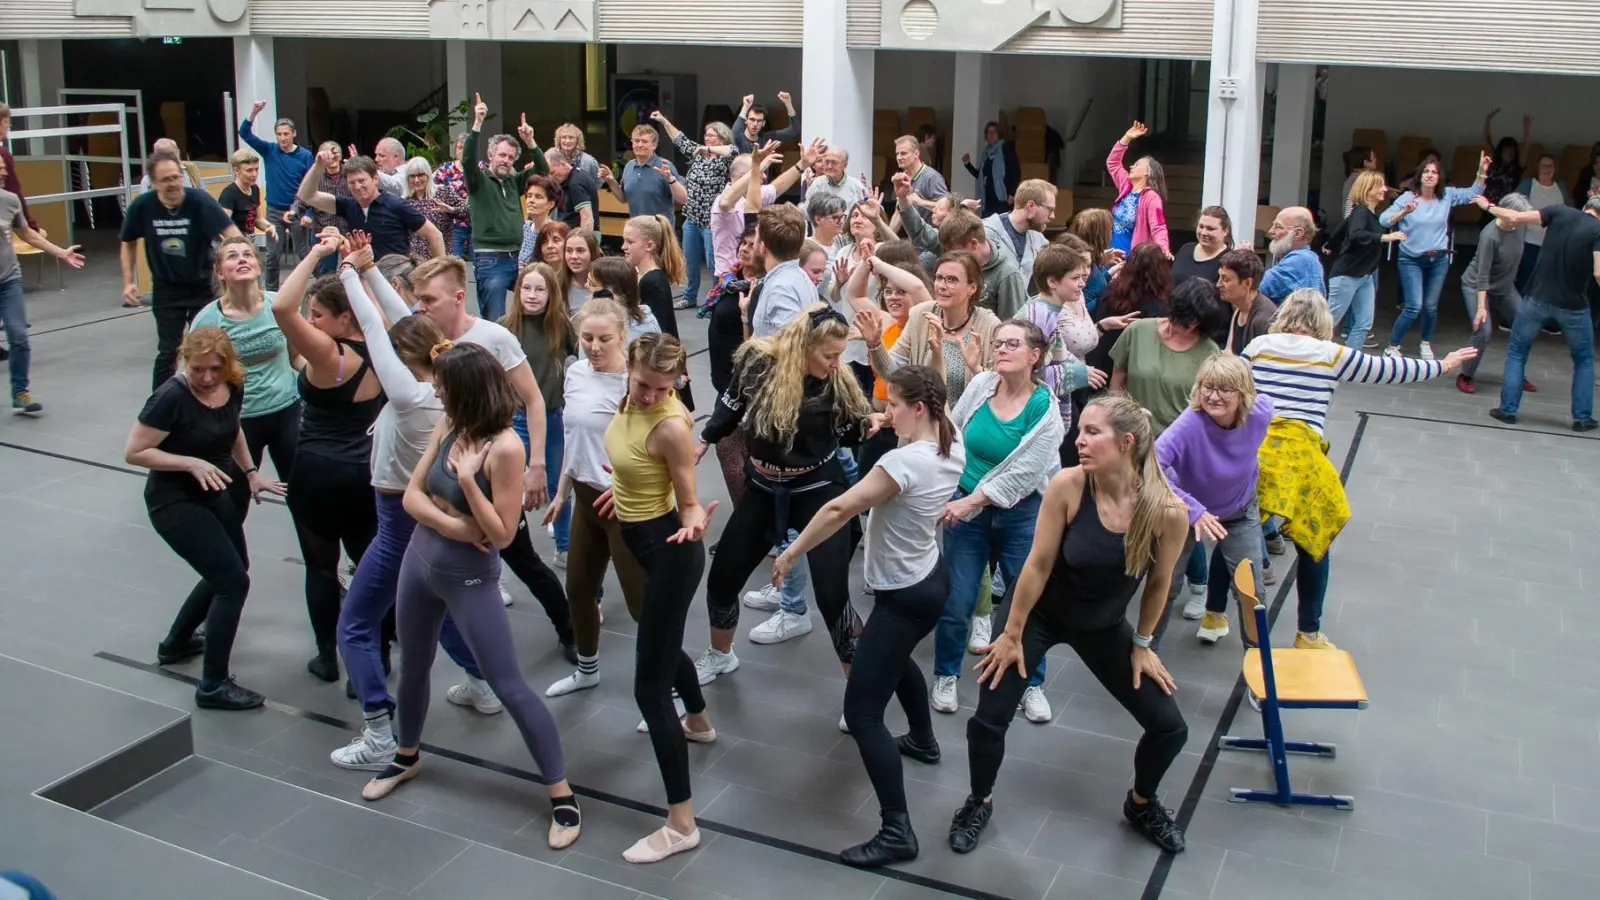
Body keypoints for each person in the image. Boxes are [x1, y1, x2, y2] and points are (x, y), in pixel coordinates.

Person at [361, 344, 582, 853]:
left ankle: (561, 792)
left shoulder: (505, 447)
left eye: (441, 384)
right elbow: (412, 497)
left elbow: (503, 535)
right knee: (414, 663)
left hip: (469, 578)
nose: (434, 390)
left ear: (464, 389)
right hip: (420, 564)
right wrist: (458, 524)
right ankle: (406, 754)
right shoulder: (449, 426)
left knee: (508, 684)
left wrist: (464, 481)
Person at [954, 394, 1191, 855]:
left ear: (1125, 443)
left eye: (1091, 432)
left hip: (1102, 625)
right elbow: (1037, 566)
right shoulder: (1067, 485)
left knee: (1170, 728)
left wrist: (1143, 643)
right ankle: (977, 800)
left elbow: (1160, 584)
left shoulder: (1166, 511)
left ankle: (1141, 803)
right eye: (1079, 430)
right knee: (989, 719)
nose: (1078, 440)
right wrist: (1011, 633)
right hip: (1038, 615)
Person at [772, 366, 962, 868]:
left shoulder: (905, 463)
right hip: (927, 576)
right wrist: (890, 420)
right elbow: (925, 399)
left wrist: (792, 554)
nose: (886, 411)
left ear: (918, 408)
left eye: (893, 404)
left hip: (905, 595)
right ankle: (922, 739)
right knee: (895, 659)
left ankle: (897, 831)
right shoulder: (949, 432)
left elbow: (838, 510)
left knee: (862, 715)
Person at [328, 234, 497, 767]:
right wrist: (370, 266)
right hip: (425, 518)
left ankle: (380, 731)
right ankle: (482, 684)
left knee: (355, 625)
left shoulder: (405, 396)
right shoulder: (441, 382)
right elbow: (406, 327)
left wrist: (351, 275)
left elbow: (379, 329)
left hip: (398, 521)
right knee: (434, 611)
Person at [1242, 288, 1473, 648]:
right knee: (1315, 542)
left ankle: (1219, 614)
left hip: (1252, 453)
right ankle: (1308, 632)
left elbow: (1231, 383)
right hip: (1301, 459)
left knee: (1240, 532)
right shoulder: (1330, 354)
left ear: (1284, 314)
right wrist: (1443, 364)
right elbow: (1388, 370)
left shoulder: (1259, 347)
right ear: (1322, 321)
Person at [696, 307, 879, 682]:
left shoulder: (836, 383)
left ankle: (859, 689)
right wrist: (706, 437)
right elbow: (730, 404)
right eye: (830, 355)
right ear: (803, 347)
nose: (837, 363)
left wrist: (870, 425)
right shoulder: (757, 362)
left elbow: (851, 431)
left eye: (840, 354)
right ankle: (720, 654)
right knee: (723, 579)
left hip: (818, 490)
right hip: (763, 488)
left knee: (833, 598)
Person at [409, 256, 576, 651]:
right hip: (446, 461)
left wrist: (536, 466)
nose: (420, 307)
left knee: (523, 558)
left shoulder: (493, 337)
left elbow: (533, 399)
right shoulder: (423, 338)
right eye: (417, 299)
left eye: (428, 299)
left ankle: (570, 629)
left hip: (491, 465)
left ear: (458, 297)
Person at [598, 332, 719, 864]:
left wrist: (694, 523)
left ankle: (681, 823)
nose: (649, 396)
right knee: (663, 640)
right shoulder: (627, 400)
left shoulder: (671, 425)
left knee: (649, 689)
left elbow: (689, 500)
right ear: (629, 368)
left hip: (671, 549)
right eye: (643, 385)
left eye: (661, 389)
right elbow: (634, 457)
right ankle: (698, 719)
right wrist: (623, 487)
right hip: (641, 537)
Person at [124, 326, 284, 709]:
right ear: (185, 363)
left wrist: (250, 474)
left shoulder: (232, 385)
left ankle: (176, 642)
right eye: (198, 370)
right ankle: (212, 685)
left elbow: (233, 432)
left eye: (214, 368)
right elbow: (135, 451)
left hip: (216, 490)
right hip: (174, 500)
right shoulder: (169, 398)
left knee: (233, 568)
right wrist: (189, 462)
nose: (207, 378)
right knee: (232, 582)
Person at [932, 319, 1064, 722]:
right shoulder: (982, 385)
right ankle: (945, 675)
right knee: (958, 600)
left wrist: (970, 501)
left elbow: (1024, 472)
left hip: (1019, 516)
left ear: (1034, 355)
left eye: (1012, 344)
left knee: (1027, 603)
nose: (1002, 350)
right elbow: (953, 430)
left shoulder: (1046, 408)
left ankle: (1031, 684)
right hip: (967, 510)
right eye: (999, 343)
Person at [272, 232, 386, 682]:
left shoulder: (330, 354)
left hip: (318, 473)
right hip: (364, 474)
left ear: (342, 319)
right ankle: (375, 655)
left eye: (317, 316)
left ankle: (327, 656)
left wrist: (316, 254)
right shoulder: (379, 343)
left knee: (321, 569)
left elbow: (281, 310)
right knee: (371, 570)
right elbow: (297, 357)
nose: (310, 321)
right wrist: (353, 268)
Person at [542, 298, 646, 698]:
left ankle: (673, 687)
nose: (594, 346)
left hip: (622, 503)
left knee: (642, 604)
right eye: (587, 337)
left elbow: (659, 449)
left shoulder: (634, 383)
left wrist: (631, 494)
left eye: (605, 338)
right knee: (579, 592)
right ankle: (587, 668)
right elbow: (575, 438)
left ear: (623, 336)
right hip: (586, 499)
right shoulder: (576, 373)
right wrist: (562, 491)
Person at [1152, 356, 1271, 645]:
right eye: (1207, 387)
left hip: (1240, 509)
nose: (1213, 396)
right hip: (1185, 513)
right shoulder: (1190, 423)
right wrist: (1192, 509)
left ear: (1243, 392)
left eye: (1225, 389)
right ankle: (1145, 652)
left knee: (1251, 591)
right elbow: (1149, 468)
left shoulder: (1261, 412)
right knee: (1164, 584)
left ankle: (1259, 668)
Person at [190, 237, 297, 512]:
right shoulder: (207, 320)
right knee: (233, 501)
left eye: (248, 255)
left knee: (302, 496)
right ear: (219, 272)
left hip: (287, 410)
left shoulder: (279, 305)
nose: (242, 260)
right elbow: (195, 380)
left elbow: (298, 356)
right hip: (239, 420)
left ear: (258, 267)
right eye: (232, 256)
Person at [120, 154, 241, 390]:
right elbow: (128, 241)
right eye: (166, 179)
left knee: (212, 345)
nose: (173, 183)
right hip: (167, 289)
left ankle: (221, 395)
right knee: (168, 351)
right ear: (153, 183)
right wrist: (128, 281)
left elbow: (232, 234)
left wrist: (239, 265)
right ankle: (160, 405)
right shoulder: (143, 206)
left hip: (202, 286)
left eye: (177, 177)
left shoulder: (199, 202)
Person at [1483, 196, 1600, 430]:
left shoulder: (1559, 212)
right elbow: (1598, 273)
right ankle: (1582, 418)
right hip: (1573, 306)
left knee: (1517, 352)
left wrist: (1486, 205)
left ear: (1585, 205)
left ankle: (1507, 410)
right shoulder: (1598, 231)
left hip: (1536, 299)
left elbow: (1513, 216)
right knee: (1584, 360)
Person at [502, 263, 577, 566]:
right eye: (526, 289)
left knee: (560, 483)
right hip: (515, 419)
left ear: (551, 294)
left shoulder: (562, 326)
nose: (532, 296)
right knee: (508, 486)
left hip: (553, 416)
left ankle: (564, 545)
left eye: (540, 289)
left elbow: (578, 360)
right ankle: (510, 549)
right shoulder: (504, 327)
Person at [1380, 153, 1490, 359]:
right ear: (1419, 176)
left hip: (1438, 259)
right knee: (1414, 306)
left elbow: (1473, 193)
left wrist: (1482, 171)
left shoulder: (1446, 195)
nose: (1430, 175)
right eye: (1426, 171)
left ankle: (1425, 342)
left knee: (1430, 306)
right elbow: (1384, 220)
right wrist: (1402, 213)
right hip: (1411, 258)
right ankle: (1392, 346)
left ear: (1439, 177)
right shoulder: (1408, 197)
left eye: (1434, 172)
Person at [0, 157, 84, 413]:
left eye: (4, 166)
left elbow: (28, 234)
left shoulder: (11, 200)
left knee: (19, 335)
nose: (4, 170)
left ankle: (20, 392)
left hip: (8, 280)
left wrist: (60, 252)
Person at [869, 250, 1001, 405]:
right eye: (939, 278)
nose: (942, 286)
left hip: (968, 424)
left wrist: (977, 369)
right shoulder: (921, 314)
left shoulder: (989, 325)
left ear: (972, 287)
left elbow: (999, 386)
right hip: (925, 421)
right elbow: (892, 372)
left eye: (952, 280)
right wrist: (875, 345)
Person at [465, 95, 549, 321]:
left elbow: (542, 171)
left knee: (535, 308)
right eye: (501, 155)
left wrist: (530, 142)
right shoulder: (478, 181)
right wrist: (478, 123)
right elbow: (467, 160)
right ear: (490, 155)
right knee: (495, 317)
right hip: (490, 258)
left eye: (511, 157)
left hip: (520, 256)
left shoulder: (514, 181)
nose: (506, 160)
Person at [1018, 241, 1103, 450]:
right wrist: (1076, 374)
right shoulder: (1040, 316)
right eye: (1074, 278)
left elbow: (1059, 353)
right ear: (1052, 282)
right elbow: (1028, 375)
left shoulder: (1049, 311)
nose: (1082, 283)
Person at [1109, 278, 1223, 433]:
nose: (1192, 324)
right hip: (1134, 436)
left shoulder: (1209, 350)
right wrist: (1117, 422)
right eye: (1190, 318)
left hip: (1180, 442)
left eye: (1199, 320)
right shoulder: (1137, 330)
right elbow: (1117, 378)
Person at [297, 152, 442, 263]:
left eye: (362, 180)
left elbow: (434, 235)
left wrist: (438, 273)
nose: (357, 186)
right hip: (364, 279)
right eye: (352, 182)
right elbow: (306, 195)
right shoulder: (348, 206)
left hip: (396, 280)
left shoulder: (396, 204)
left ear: (375, 179)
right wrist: (318, 166)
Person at [1457, 193, 1535, 395]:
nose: (1518, 221)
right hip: (1475, 285)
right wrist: (1481, 308)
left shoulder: (1520, 225)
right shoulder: (1490, 235)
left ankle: (1516, 372)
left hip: (1504, 287)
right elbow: (1482, 275)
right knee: (1484, 331)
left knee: (1525, 324)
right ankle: (1465, 374)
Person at [1325, 172, 1404, 350]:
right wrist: (1384, 237)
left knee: (1363, 323)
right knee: (1328, 322)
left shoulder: (1365, 212)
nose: (1384, 189)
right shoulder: (1361, 211)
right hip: (1347, 275)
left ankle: (1351, 362)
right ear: (1369, 190)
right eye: (1380, 185)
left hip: (1364, 276)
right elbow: (1355, 234)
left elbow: (1342, 228)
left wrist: (1329, 244)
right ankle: (1311, 357)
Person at [938, 208, 1028, 320]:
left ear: (974, 244)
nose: (953, 257)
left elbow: (1013, 326)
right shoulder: (964, 263)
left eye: (957, 252)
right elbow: (924, 234)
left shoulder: (1007, 275)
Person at [598, 126, 686, 227]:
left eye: (644, 141)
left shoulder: (665, 166)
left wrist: (671, 180)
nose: (639, 145)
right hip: (637, 230)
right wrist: (610, 180)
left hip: (660, 231)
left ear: (654, 145)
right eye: (636, 141)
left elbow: (682, 199)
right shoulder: (629, 166)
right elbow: (623, 198)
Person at [1106, 121, 1169, 255]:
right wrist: (1127, 137)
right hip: (1112, 254)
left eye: (1137, 165)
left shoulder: (1152, 198)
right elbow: (1113, 162)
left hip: (1132, 258)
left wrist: (1163, 249)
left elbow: (1159, 226)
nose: (1131, 167)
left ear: (1148, 172)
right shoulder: (1126, 186)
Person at [1513, 153, 1571, 292]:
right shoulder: (1527, 185)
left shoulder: (1561, 186)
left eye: (1550, 165)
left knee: (1548, 282)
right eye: (1543, 165)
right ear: (1537, 167)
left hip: (1553, 244)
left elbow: (1569, 212)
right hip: (1529, 242)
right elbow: (1513, 206)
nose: (1546, 168)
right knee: (1526, 279)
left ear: (1555, 168)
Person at [982, 178, 1054, 279]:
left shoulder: (1039, 240)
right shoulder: (987, 233)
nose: (1052, 216)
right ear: (1031, 206)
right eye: (1050, 210)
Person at [401, 156, 466, 261]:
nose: (416, 180)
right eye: (412, 176)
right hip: (416, 263)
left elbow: (468, 211)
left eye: (420, 175)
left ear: (428, 175)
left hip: (441, 260)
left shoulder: (443, 193)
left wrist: (451, 210)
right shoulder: (405, 202)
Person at [1214, 249, 1277, 356]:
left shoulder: (1264, 320)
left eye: (1226, 279)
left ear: (1248, 283)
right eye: (1219, 277)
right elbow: (1229, 353)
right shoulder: (1240, 308)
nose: (1218, 284)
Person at [1258, 206, 1325, 304]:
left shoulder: (1300, 260)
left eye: (1278, 226)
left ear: (1298, 233)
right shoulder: (1304, 258)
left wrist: (1247, 261)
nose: (1271, 231)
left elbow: (1255, 286)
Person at [590, 256, 662, 343]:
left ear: (609, 292)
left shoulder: (595, 331)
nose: (586, 286)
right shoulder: (648, 320)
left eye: (592, 283)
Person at [962, 121, 1021, 218]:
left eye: (994, 132)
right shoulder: (985, 153)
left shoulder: (1006, 149)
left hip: (1002, 198)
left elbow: (1016, 172)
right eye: (989, 132)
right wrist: (968, 164)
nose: (991, 135)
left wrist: (1012, 193)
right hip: (987, 198)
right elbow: (980, 175)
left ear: (999, 134)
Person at [217, 149, 275, 247]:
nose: (254, 174)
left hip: (249, 243)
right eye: (249, 170)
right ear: (236, 171)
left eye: (256, 169)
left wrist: (269, 226)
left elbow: (257, 219)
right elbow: (222, 227)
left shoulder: (254, 189)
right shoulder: (229, 193)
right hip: (234, 246)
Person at [433, 134, 474, 258]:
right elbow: (432, 187)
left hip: (476, 224)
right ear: (456, 150)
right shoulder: (446, 169)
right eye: (460, 147)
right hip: (453, 224)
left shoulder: (481, 168)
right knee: (454, 263)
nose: (463, 151)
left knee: (477, 266)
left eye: (467, 148)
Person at [1170, 206, 1232, 286]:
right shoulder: (1186, 249)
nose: (1203, 233)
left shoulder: (1229, 260)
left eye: (1210, 229)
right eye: (1201, 227)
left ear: (1225, 231)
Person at [545, 148, 598, 235]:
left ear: (563, 164)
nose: (550, 177)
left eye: (552, 173)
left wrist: (583, 243)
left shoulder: (575, 183)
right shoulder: (576, 174)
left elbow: (587, 218)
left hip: (582, 235)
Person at [1480, 109, 1530, 203]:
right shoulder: (1492, 163)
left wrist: (1526, 130)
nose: (1510, 153)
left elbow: (1526, 148)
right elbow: (1486, 139)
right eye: (1507, 150)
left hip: (1507, 208)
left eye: (1513, 150)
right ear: (1501, 151)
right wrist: (1488, 119)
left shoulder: (1517, 168)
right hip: (1487, 207)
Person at [515, 175, 564, 266]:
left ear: (551, 204)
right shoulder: (523, 227)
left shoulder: (556, 232)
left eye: (538, 197)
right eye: (529, 196)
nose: (531, 200)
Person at [733, 91, 800, 155]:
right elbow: (734, 133)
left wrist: (788, 104)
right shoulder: (739, 139)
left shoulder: (767, 138)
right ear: (746, 121)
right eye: (752, 119)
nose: (755, 124)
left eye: (759, 121)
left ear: (763, 123)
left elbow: (794, 130)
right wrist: (745, 106)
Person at [893, 135, 949, 211]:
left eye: (903, 153)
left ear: (916, 154)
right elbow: (899, 214)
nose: (899, 158)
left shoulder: (932, 177)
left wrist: (921, 202)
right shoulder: (903, 176)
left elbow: (946, 207)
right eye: (897, 154)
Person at [559, 228, 599, 312]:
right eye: (569, 251)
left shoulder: (608, 284)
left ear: (593, 253)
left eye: (580, 251)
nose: (573, 256)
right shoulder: (557, 282)